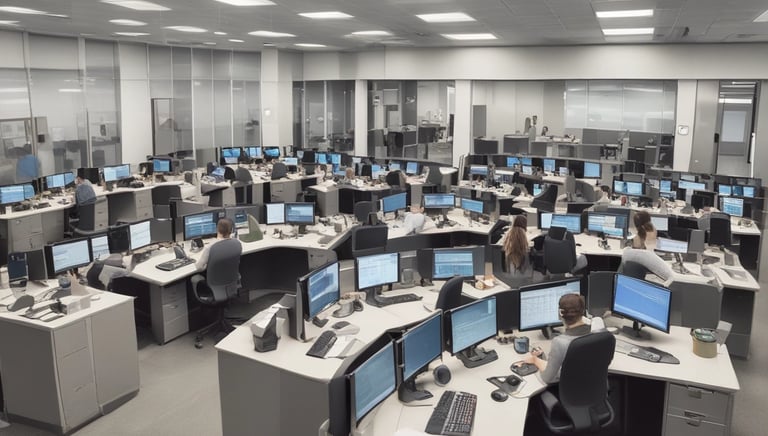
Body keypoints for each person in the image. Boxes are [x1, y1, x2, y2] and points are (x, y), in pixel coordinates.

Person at [521, 293, 604, 384]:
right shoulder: (600, 332)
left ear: (560, 314)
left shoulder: (560, 342)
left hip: (573, 395)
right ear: (583, 311)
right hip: (598, 391)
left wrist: (535, 360)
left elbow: (547, 378)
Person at [620, 210, 674, 280]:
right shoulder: (653, 229)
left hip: (638, 266)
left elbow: (634, 249)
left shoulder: (637, 237)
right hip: (652, 260)